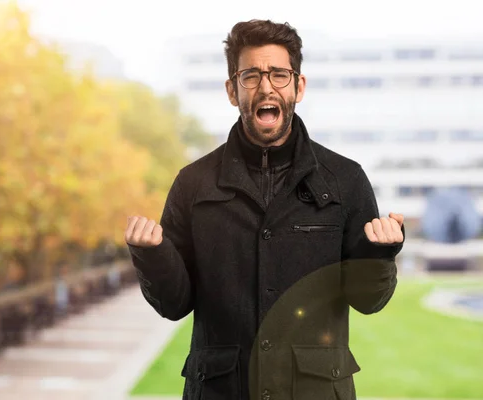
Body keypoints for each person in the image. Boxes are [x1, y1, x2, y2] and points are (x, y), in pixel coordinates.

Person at [125, 19, 405, 400]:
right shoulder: (193, 183)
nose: (266, 86)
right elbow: (174, 304)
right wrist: (152, 255)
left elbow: (368, 300)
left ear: (298, 86)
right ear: (232, 89)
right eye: (251, 75)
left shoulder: (346, 180)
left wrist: (378, 254)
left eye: (279, 74)